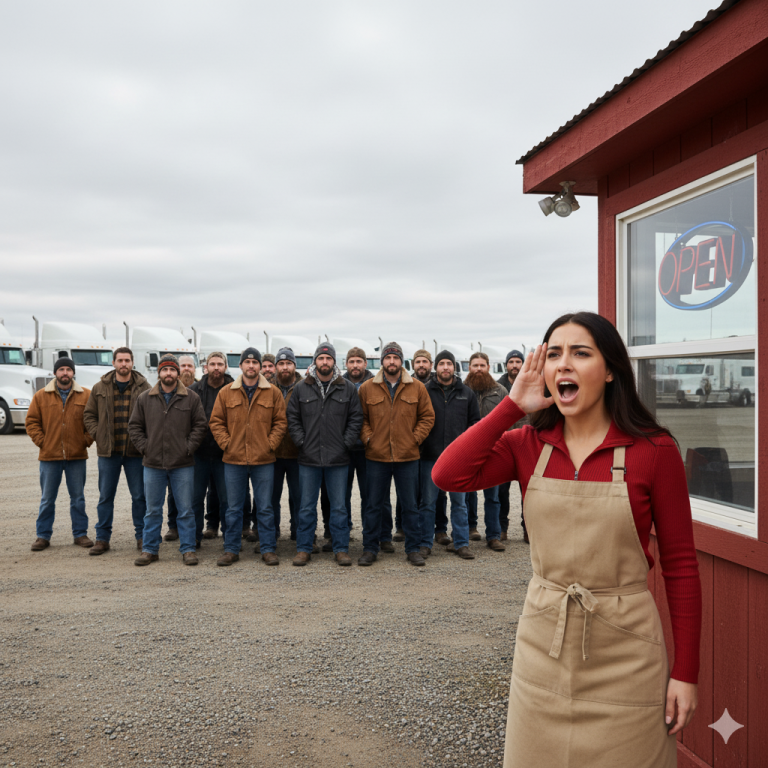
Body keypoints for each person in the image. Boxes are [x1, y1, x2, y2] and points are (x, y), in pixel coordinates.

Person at [433, 312, 701, 767]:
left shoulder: (654, 451)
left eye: (581, 353)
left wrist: (686, 673)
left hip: (628, 653)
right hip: (543, 647)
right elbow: (448, 474)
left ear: (610, 369)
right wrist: (511, 406)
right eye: (554, 354)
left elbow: (681, 566)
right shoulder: (527, 445)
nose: (564, 364)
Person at [358, 342, 434, 567]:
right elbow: (360, 418)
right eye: (388, 357)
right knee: (373, 505)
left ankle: (413, 549)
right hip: (376, 456)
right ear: (382, 361)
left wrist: (414, 438)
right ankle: (370, 548)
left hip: (407, 457)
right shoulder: (367, 388)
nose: (392, 362)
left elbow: (427, 417)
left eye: (396, 358)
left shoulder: (417, 387)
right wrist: (369, 439)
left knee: (410, 506)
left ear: (402, 361)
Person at [287, 343, 363, 567]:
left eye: (328, 359)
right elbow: (292, 418)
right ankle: (304, 548)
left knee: (339, 507)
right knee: (306, 506)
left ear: (334, 362)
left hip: (338, 459)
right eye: (321, 358)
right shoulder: (301, 388)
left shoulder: (347, 388)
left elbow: (356, 419)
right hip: (308, 459)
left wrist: (345, 444)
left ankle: (341, 549)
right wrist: (302, 442)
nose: (325, 362)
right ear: (315, 361)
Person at [209, 347, 287, 566]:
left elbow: (281, 423)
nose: (251, 366)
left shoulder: (273, 392)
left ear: (260, 366)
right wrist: (227, 444)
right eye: (247, 362)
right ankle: (231, 549)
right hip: (234, 460)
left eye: (255, 362)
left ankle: (268, 548)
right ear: (241, 365)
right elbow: (216, 422)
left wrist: (269, 445)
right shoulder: (226, 392)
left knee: (265, 507)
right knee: (233, 508)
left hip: (264, 460)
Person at [128, 354, 207, 566]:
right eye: (165, 369)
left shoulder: (191, 398)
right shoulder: (145, 398)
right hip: (153, 464)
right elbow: (134, 427)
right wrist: (145, 448)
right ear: (159, 373)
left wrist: (188, 448)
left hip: (182, 464)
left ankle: (188, 549)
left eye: (172, 370)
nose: (168, 373)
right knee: (152, 510)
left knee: (186, 509)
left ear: (177, 373)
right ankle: (150, 550)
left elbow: (200, 426)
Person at [83, 347, 150, 554]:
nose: (124, 364)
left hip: (135, 453)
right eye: (120, 360)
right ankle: (102, 539)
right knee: (105, 497)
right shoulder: (99, 387)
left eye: (127, 360)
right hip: (109, 453)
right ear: (113, 363)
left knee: (139, 497)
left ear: (132, 362)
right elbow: (89, 415)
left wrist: (144, 442)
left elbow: (152, 416)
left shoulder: (144, 387)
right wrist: (98, 434)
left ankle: (143, 537)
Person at [26, 357, 95, 551]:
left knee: (78, 498)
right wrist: (43, 442)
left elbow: (93, 421)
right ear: (55, 373)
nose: (65, 373)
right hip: (49, 457)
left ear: (73, 373)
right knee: (47, 499)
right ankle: (43, 536)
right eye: (61, 369)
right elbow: (31, 422)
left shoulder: (86, 395)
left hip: (76, 457)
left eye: (68, 370)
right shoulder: (41, 396)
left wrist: (85, 441)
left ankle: (80, 534)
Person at [419, 350, 479, 560]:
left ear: (454, 367)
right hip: (430, 456)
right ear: (435, 367)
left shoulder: (466, 393)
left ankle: (461, 543)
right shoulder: (425, 391)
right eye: (442, 363)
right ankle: (425, 543)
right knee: (428, 503)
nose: (445, 367)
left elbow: (475, 424)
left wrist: (466, 449)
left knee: (459, 503)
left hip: (457, 458)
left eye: (449, 364)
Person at [188, 352, 234, 552]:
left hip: (226, 454)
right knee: (195, 499)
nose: (216, 368)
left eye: (220, 364)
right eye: (212, 364)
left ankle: (230, 540)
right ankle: (194, 538)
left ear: (225, 367)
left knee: (227, 500)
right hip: (199, 453)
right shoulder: (194, 391)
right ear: (206, 367)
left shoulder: (235, 388)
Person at [464, 351, 507, 552]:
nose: (479, 369)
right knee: (467, 494)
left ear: (488, 367)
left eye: (482, 365)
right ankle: (470, 528)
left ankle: (493, 535)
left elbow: (510, 419)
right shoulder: (462, 390)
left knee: (493, 496)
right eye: (475, 365)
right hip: (468, 450)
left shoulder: (500, 391)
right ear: (469, 368)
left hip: (493, 451)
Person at [496, 349, 528, 542]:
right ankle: (502, 528)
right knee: (501, 491)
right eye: (511, 362)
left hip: (525, 445)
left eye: (518, 362)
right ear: (506, 365)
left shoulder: (531, 386)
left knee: (528, 491)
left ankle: (528, 528)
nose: (515, 365)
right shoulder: (497, 388)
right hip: (504, 447)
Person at [272, 347, 302, 541]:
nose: (285, 367)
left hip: (297, 453)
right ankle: (271, 535)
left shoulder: (305, 386)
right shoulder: (266, 387)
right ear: (276, 366)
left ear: (294, 366)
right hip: (271, 454)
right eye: (281, 363)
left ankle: (301, 535)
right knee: (270, 499)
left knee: (300, 498)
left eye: (288, 363)